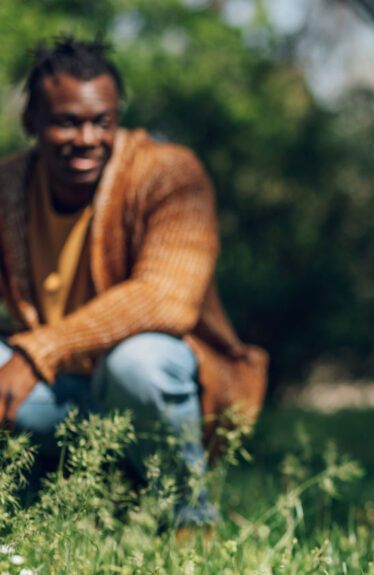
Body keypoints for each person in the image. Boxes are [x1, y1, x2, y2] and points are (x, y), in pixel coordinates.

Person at [0, 36, 267, 525]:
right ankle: (34, 508)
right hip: (58, 395)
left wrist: (39, 349)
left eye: (102, 121)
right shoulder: (8, 186)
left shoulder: (168, 174)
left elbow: (167, 301)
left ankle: (188, 522)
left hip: (154, 389)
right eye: (67, 122)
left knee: (137, 363)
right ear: (30, 122)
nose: (88, 139)